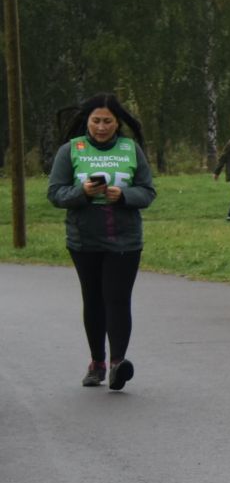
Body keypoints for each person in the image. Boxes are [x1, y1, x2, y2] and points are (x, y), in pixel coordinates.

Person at [45, 93, 157, 390]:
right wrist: (83, 193)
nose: (102, 127)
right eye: (96, 121)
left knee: (118, 300)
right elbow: (55, 194)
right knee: (94, 300)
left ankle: (118, 363)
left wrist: (124, 196)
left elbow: (147, 191)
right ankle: (97, 362)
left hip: (125, 239)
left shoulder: (131, 149)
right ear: (87, 121)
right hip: (84, 239)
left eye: (108, 121)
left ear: (118, 122)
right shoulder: (71, 150)